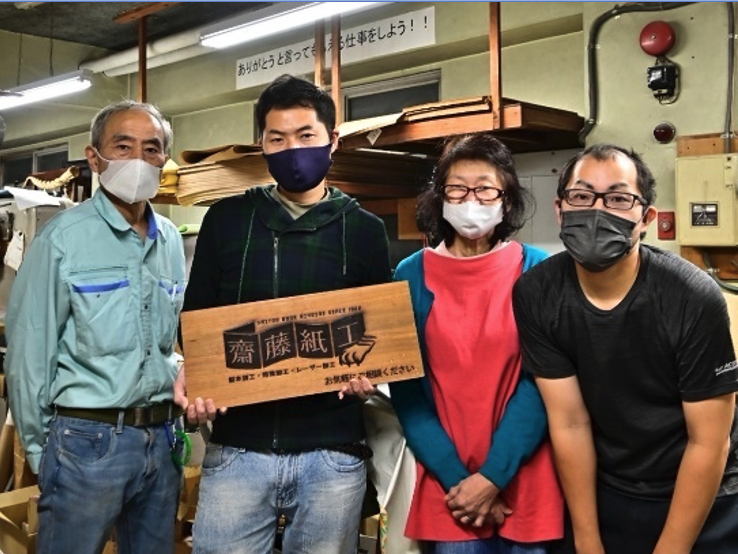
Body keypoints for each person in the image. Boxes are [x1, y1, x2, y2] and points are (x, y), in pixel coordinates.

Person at [174, 74, 392, 554]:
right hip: (239, 448)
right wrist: (199, 372)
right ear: (263, 146)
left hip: (332, 452)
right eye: (278, 139)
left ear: (333, 140)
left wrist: (369, 374)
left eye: (306, 135)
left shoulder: (364, 230)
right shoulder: (227, 220)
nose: (293, 150)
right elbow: (196, 320)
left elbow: (378, 329)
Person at [512, 144, 738, 554]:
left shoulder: (691, 296)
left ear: (646, 218)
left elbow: (708, 442)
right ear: (560, 209)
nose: (597, 211)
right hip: (610, 488)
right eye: (582, 196)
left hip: (707, 491)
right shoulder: (537, 293)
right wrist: (587, 540)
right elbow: (570, 422)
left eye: (618, 199)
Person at [5, 100, 187, 554]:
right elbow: (29, 355)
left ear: (163, 160)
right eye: (123, 147)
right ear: (94, 157)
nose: (138, 160)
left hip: (161, 437)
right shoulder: (63, 238)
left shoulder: (169, 240)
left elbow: (169, 343)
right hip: (87, 440)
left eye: (151, 149)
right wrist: (42, 451)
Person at [390, 133, 564, 554]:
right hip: (451, 489)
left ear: (507, 198)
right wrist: (462, 483)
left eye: (485, 188)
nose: (471, 200)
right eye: (457, 188)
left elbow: (543, 383)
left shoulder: (537, 269)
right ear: (440, 196)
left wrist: (492, 478)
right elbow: (407, 391)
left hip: (525, 477)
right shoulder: (410, 274)